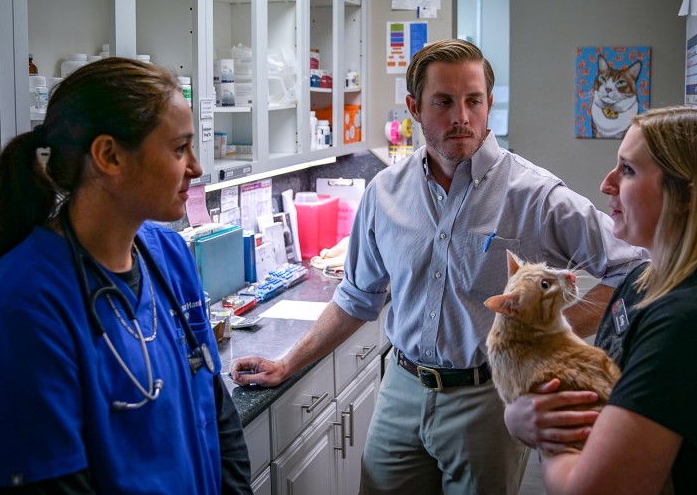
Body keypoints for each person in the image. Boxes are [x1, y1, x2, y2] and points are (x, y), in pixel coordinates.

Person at [230, 38, 645, 494]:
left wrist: (545, 331)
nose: (461, 117)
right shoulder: (384, 193)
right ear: (415, 106)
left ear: (488, 104)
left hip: (486, 399)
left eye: (474, 101)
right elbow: (355, 298)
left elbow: (635, 272)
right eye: (444, 102)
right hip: (400, 391)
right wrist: (287, 363)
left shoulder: (535, 194)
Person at [0, 58, 251, 494]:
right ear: (109, 156)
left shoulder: (168, 255)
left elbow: (216, 410)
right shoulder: (21, 310)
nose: (196, 168)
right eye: (179, 149)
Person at [503, 106, 697, 495]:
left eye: (628, 170)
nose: (606, 183)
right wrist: (521, 415)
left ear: (686, 195)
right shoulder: (642, 281)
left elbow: (594, 489)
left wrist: (548, 439)